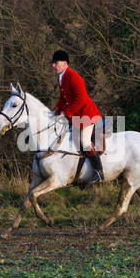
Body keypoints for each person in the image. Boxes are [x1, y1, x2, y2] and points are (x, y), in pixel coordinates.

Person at [51, 49, 104, 185]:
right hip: (76, 115)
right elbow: (63, 98)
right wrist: (55, 110)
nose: (53, 66)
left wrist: (66, 113)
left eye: (55, 63)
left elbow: (82, 98)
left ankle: (99, 172)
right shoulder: (61, 78)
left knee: (85, 141)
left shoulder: (74, 76)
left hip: (87, 114)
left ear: (64, 63)